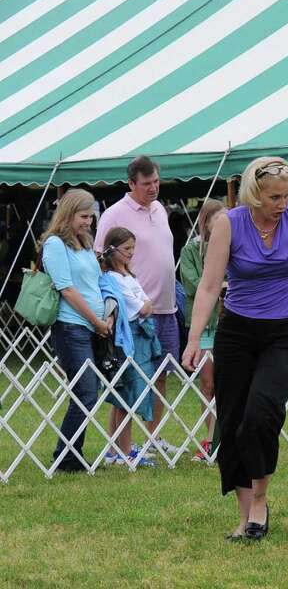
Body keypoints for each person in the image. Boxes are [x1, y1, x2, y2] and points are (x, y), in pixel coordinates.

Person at [181, 157, 288, 541]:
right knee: (235, 420)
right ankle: (245, 516)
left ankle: (261, 498)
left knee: (262, 413)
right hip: (237, 331)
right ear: (254, 195)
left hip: (283, 331)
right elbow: (208, 287)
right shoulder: (229, 224)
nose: (282, 203)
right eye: (275, 196)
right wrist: (194, 339)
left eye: (287, 194)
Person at [95, 156, 180, 459]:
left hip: (166, 308)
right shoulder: (114, 214)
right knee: (129, 378)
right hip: (135, 314)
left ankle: (153, 438)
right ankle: (118, 445)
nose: (154, 188)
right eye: (147, 184)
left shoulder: (160, 209)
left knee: (160, 375)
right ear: (131, 183)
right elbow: (100, 260)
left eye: (156, 182)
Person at [40, 189, 112, 473]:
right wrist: (96, 321)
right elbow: (67, 289)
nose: (89, 222)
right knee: (85, 391)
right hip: (71, 327)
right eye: (83, 217)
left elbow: (94, 282)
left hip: (93, 326)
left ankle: (72, 453)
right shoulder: (55, 244)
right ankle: (66, 456)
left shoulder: (84, 243)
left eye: (91, 216)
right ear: (68, 214)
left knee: (87, 392)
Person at [98, 227, 159, 468]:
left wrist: (145, 304)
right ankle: (124, 451)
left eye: (133, 248)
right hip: (127, 341)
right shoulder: (112, 278)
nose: (131, 253)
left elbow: (147, 304)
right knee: (126, 397)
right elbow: (143, 308)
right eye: (127, 249)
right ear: (113, 251)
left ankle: (116, 450)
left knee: (123, 397)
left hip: (140, 339)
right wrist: (145, 304)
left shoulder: (129, 276)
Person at [180, 199, 227, 460]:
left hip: (229, 322)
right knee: (208, 383)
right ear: (206, 222)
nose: (222, 224)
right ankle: (210, 440)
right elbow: (193, 284)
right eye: (217, 219)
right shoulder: (190, 251)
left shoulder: (233, 246)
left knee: (228, 384)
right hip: (204, 324)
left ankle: (227, 437)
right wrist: (219, 285)